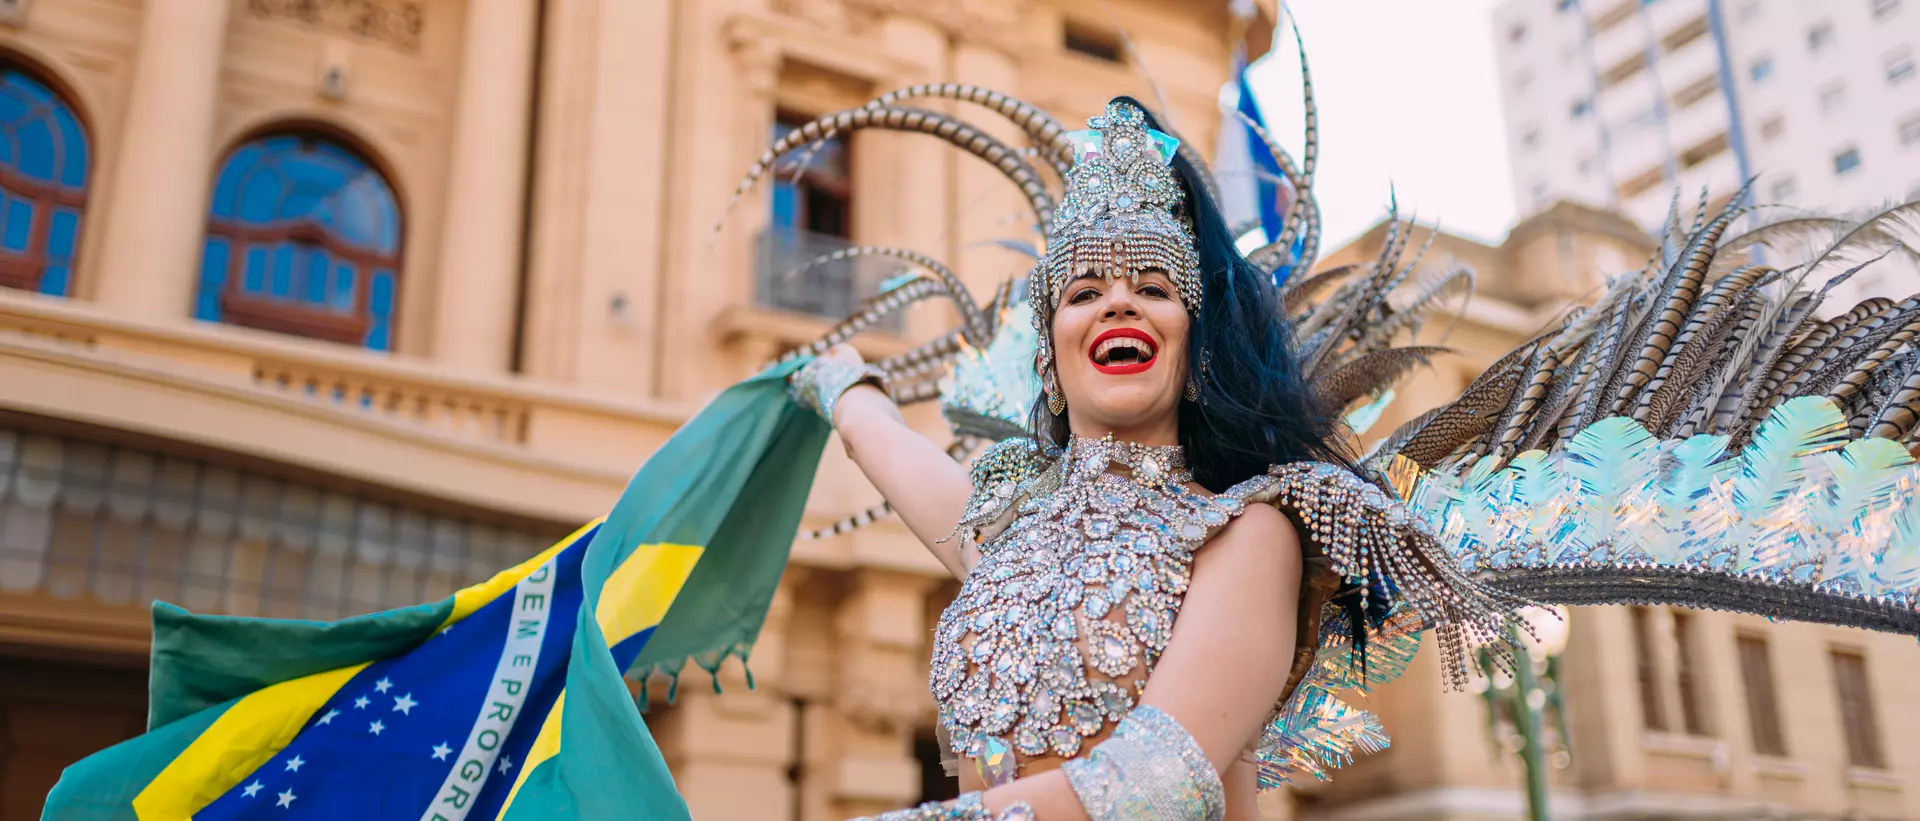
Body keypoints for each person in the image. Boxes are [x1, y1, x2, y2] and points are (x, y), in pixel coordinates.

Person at [786, 98, 1516, 821]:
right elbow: (880, 440)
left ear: (1193, 350)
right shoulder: (1010, 538)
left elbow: (1155, 779)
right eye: (1085, 291)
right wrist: (838, 383)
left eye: (1153, 288)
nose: (1118, 305)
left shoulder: (1246, 530)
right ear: (1051, 355)